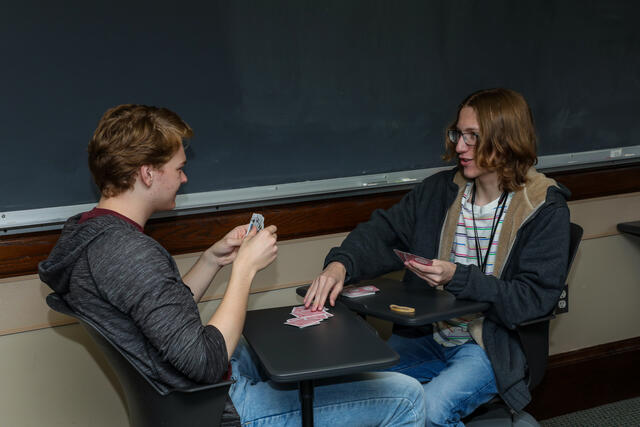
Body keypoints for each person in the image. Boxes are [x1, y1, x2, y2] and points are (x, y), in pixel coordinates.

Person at [38, 104, 426, 426]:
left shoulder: (92, 233)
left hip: (185, 393)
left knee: (263, 350)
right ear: (147, 172)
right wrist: (244, 271)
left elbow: (161, 317)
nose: (184, 177)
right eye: (178, 168)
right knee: (406, 395)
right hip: (212, 410)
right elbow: (205, 363)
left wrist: (213, 260)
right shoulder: (130, 252)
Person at [304, 88, 571, 426]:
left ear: (506, 140)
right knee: (352, 392)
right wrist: (340, 264)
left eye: (473, 137)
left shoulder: (544, 208)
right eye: (458, 134)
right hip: (429, 336)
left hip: (489, 347)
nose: (460, 146)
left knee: (428, 410)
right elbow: (382, 233)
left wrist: (456, 277)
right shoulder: (439, 191)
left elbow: (532, 300)